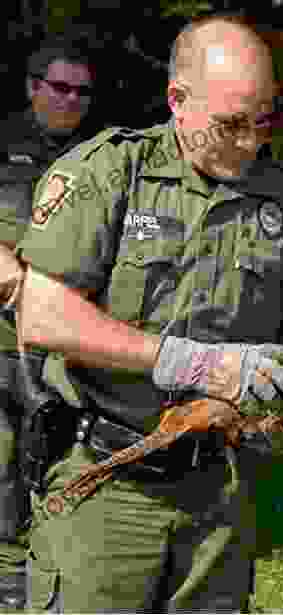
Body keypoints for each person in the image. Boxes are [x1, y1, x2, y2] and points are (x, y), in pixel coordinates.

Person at [11, 13, 283, 613]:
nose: (250, 142)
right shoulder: (110, 172)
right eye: (230, 125)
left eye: (263, 121)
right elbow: (43, 316)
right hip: (108, 485)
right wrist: (194, 363)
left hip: (221, 493)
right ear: (177, 101)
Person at [0, 35, 106, 610]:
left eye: (82, 91)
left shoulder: (100, 158)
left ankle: (58, 590)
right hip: (1, 346)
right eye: (59, 87)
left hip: (71, 348)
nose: (71, 99)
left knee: (64, 473)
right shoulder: (3, 144)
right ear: (32, 87)